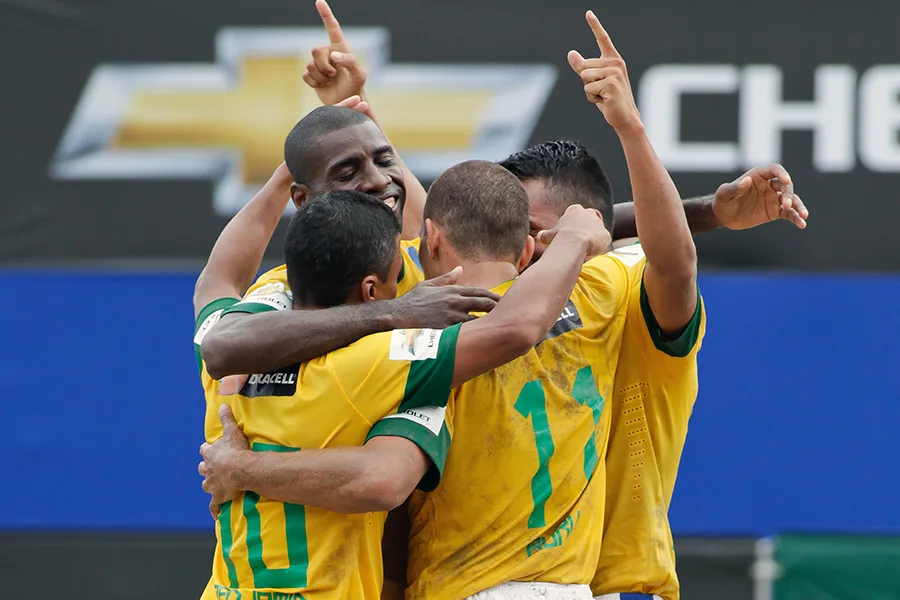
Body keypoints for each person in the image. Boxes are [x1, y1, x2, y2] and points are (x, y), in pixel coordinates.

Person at [194, 180, 610, 600]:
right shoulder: (377, 362)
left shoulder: (224, 365)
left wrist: (287, 168)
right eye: (400, 276)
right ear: (373, 291)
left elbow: (217, 280)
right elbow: (515, 327)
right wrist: (573, 237)